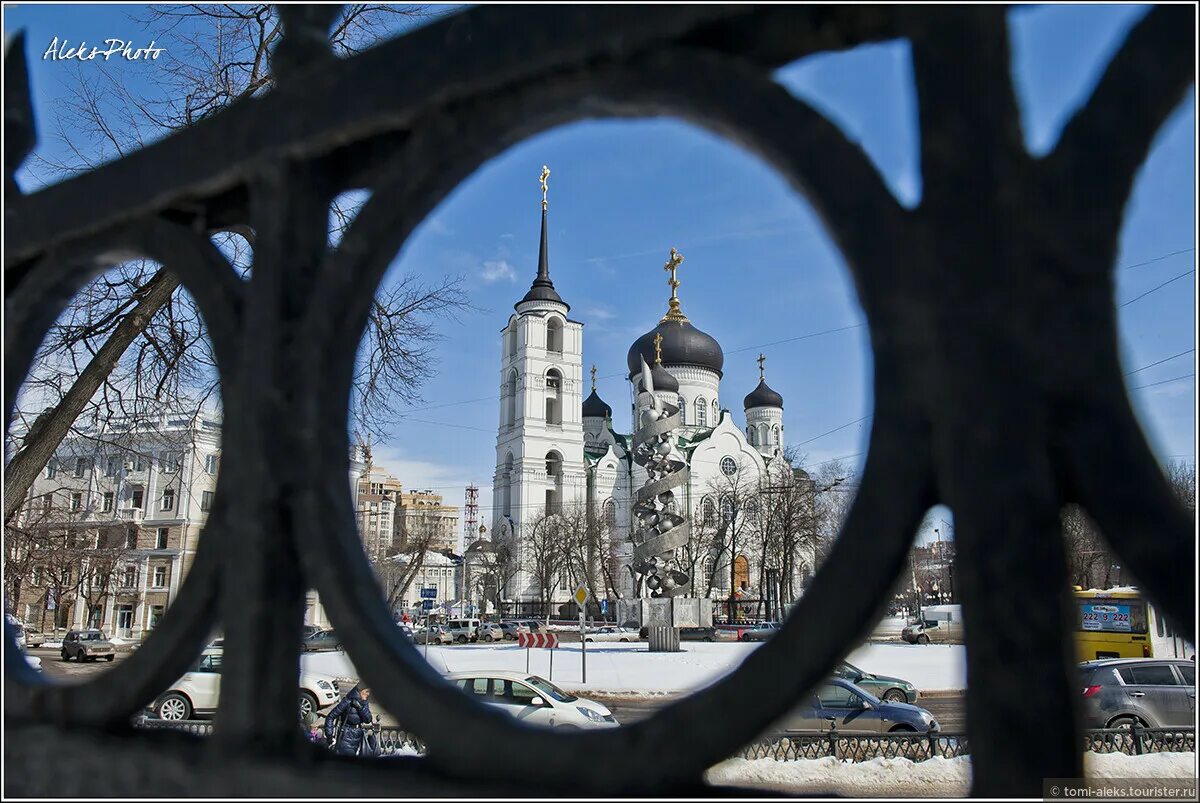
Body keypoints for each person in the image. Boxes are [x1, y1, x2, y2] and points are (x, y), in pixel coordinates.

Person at [324, 685, 378, 757]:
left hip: (359, 737)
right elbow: (330, 717)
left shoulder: (364, 703)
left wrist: (360, 707)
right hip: (346, 736)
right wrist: (330, 736)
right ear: (359, 691)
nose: (368, 694)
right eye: (366, 691)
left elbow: (368, 720)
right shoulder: (347, 701)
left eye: (369, 692)